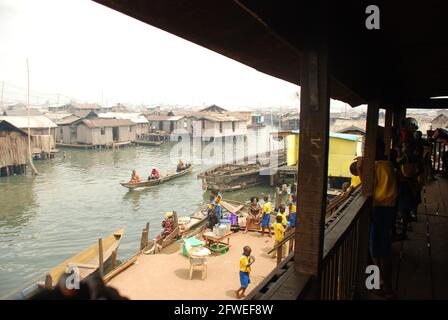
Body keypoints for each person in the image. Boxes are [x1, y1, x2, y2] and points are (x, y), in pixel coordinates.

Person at [362, 138, 398, 299]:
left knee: (376, 251)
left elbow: (367, 188)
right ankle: (380, 283)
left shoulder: (376, 167)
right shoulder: (388, 165)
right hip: (389, 209)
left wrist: (360, 169)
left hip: (378, 211)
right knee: (382, 250)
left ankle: (383, 286)